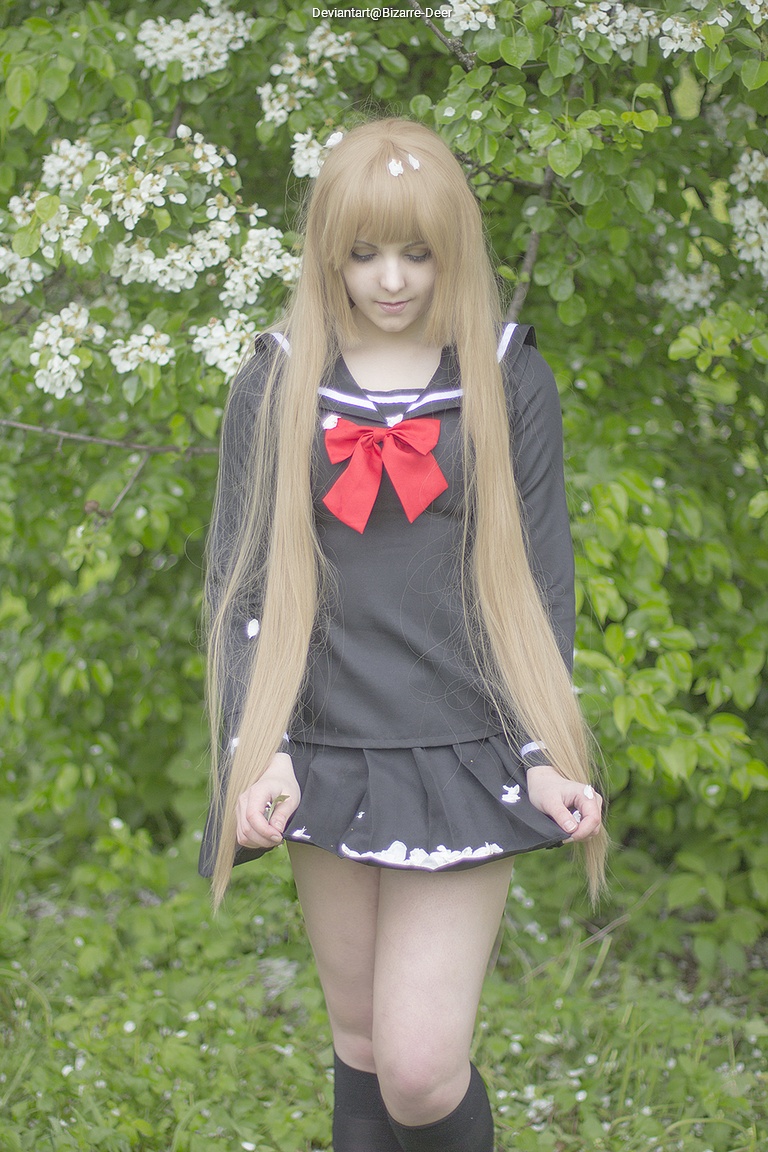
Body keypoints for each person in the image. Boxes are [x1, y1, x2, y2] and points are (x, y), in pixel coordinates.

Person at [200, 118, 606, 1152]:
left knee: (421, 1071)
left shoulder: (508, 374)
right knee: (365, 1048)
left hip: (464, 746)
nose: (391, 278)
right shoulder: (280, 378)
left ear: (452, 249)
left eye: (417, 252)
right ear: (328, 251)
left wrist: (545, 752)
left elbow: (540, 586)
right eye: (365, 252)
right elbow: (242, 588)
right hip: (324, 750)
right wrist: (263, 750)